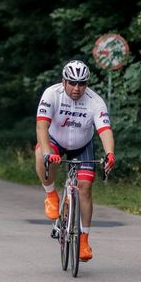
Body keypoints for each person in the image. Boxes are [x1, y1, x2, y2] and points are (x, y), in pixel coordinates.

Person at [35, 60, 115, 262]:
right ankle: (51, 195)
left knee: (85, 188)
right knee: (41, 154)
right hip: (55, 141)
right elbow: (41, 126)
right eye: (72, 83)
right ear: (63, 81)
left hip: (82, 145)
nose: (77, 88)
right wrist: (47, 153)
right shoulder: (51, 94)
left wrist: (110, 153)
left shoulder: (95, 101)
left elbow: (104, 130)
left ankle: (84, 240)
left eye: (82, 84)